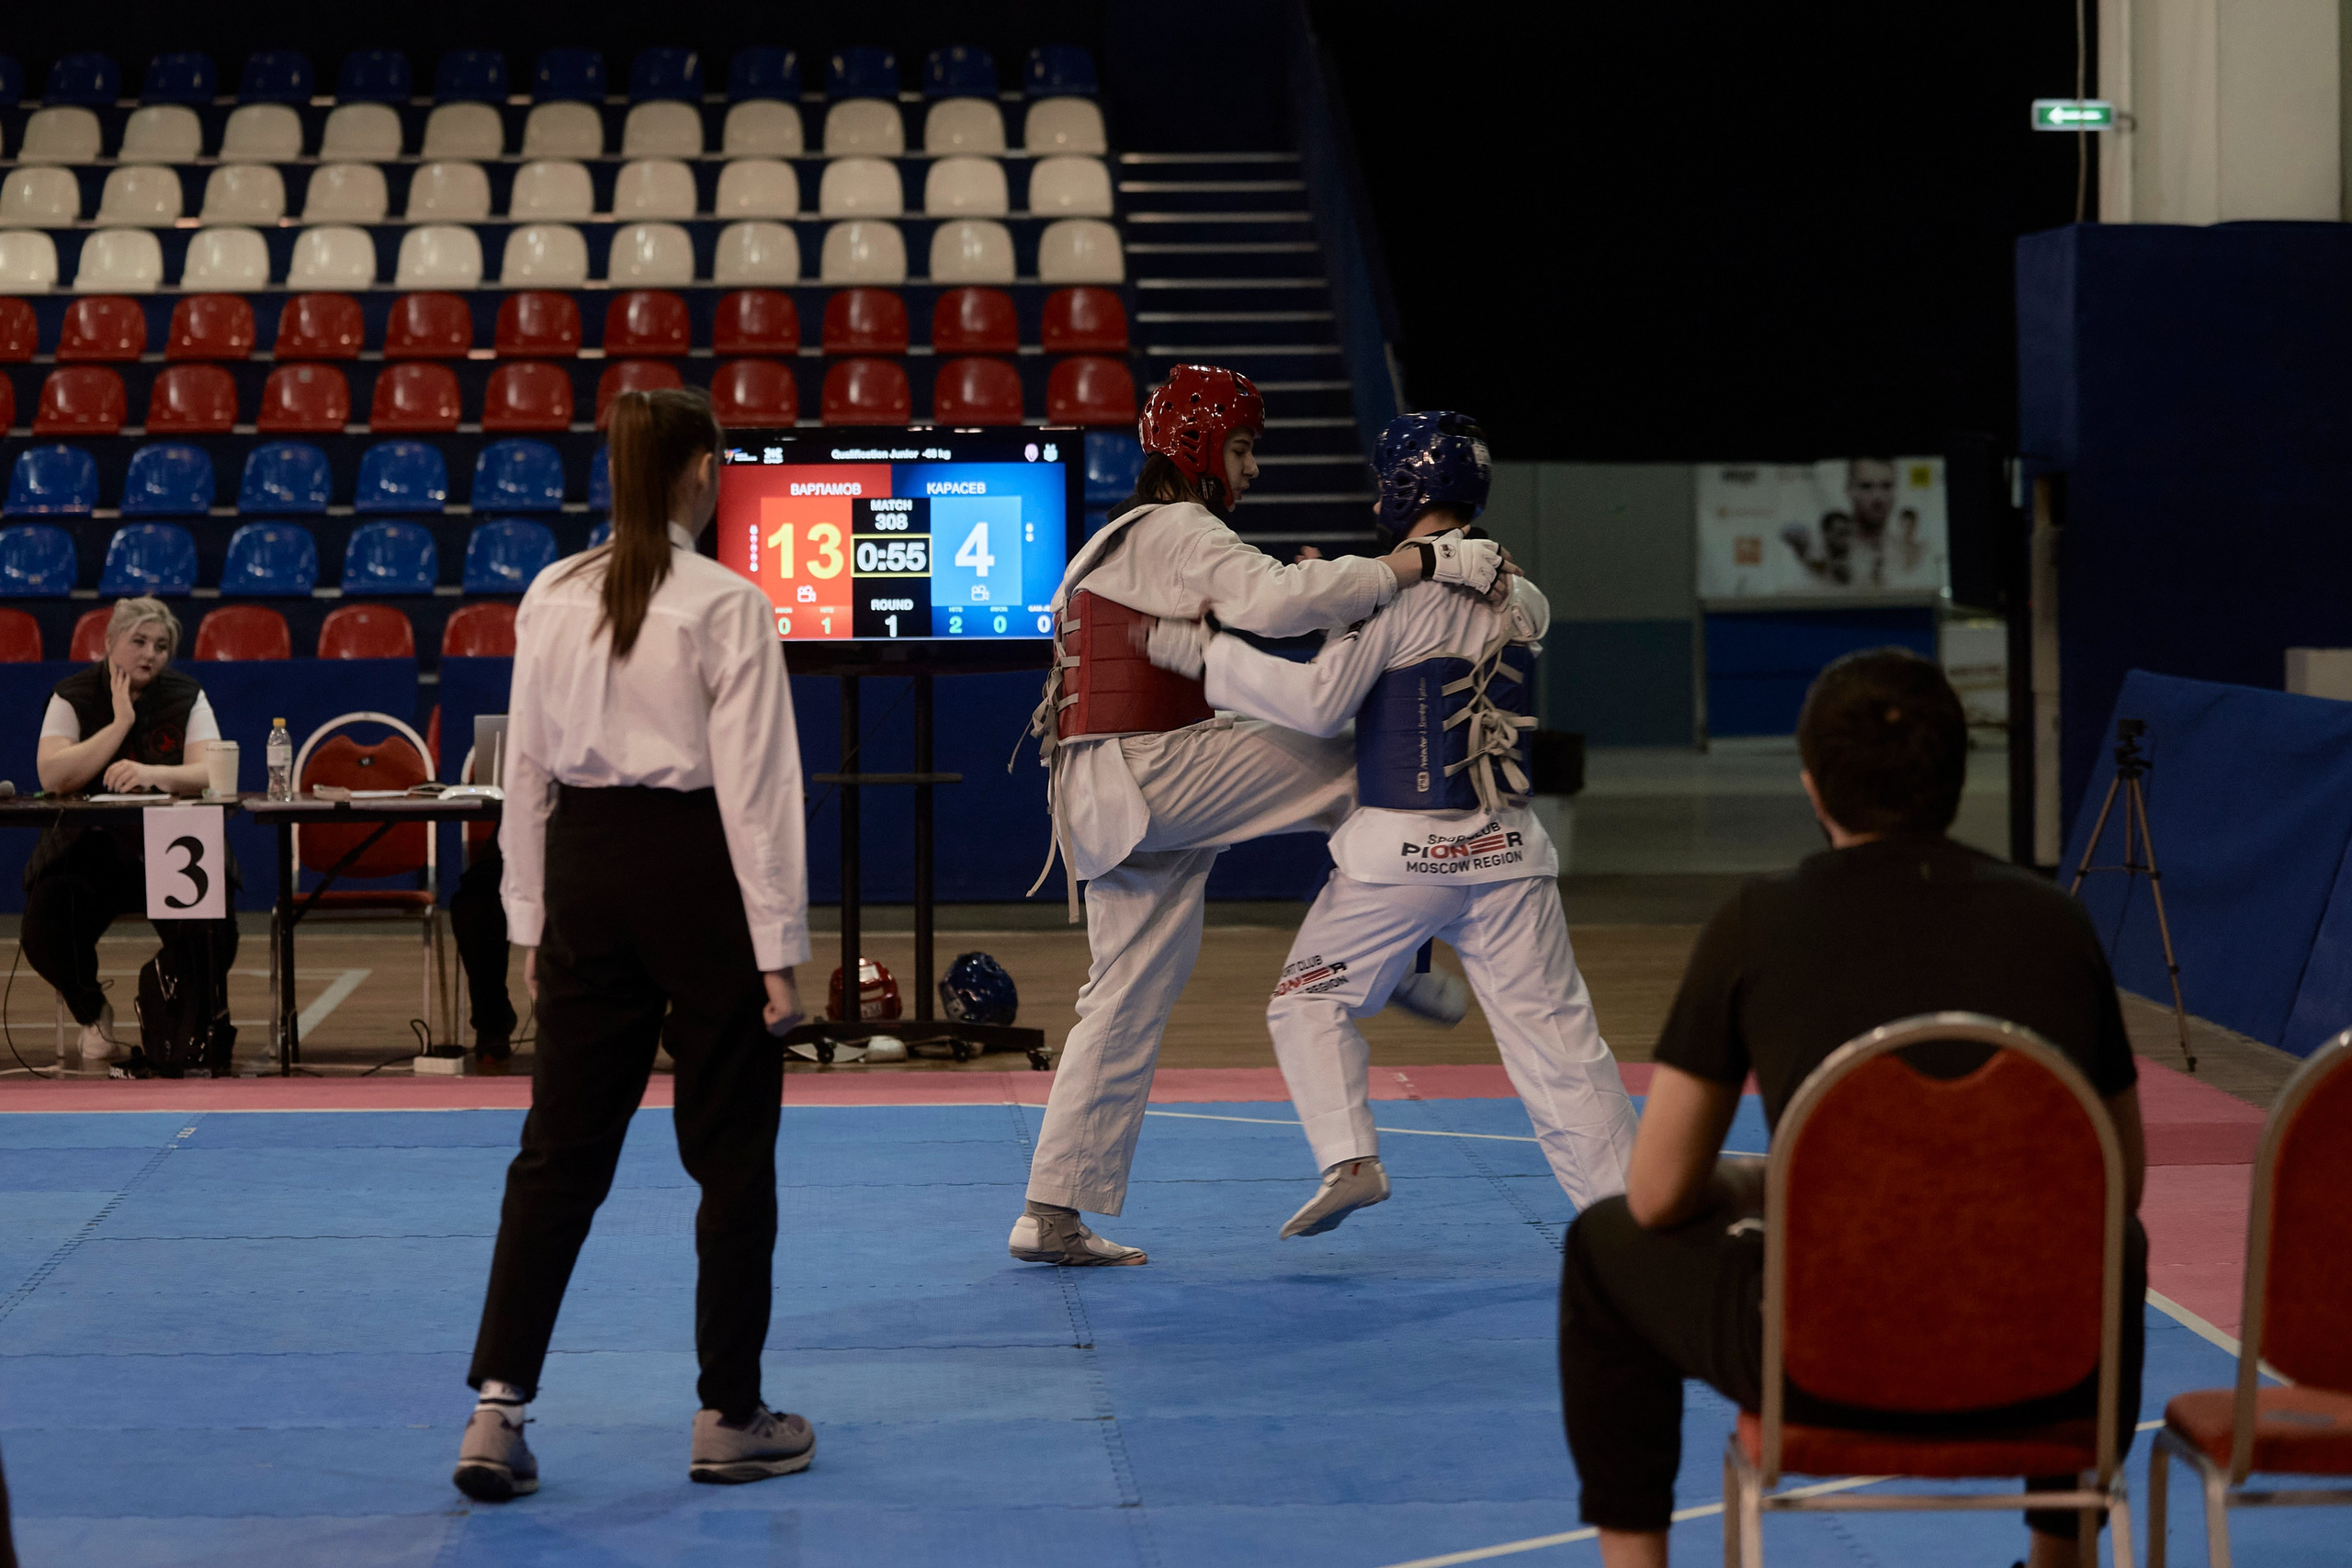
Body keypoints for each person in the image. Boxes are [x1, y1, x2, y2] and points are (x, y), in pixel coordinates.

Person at [1555, 649, 2147, 1568]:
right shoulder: (2057, 924)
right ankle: (2057, 1556)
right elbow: (2116, 1185)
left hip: (1819, 1361)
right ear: (1958, 774)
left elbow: (1658, 1196)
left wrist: (1764, 1182)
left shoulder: (1756, 922)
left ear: (1811, 784)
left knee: (1604, 1246)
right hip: (2038, 1358)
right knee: (2117, 1246)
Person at [1008, 364, 1510, 1267]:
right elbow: (1275, 603)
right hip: (1148, 769)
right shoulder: (1175, 525)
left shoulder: (1112, 540)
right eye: (1240, 448)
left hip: (1105, 789)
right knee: (1354, 760)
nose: (1251, 469)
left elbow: (1256, 618)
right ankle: (1394, 951)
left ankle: (1050, 1212)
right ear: (1197, 447)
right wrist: (1421, 562)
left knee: (1124, 1000)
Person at [1144, 412, 1635, 1236]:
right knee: (1563, 1051)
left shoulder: (1397, 598)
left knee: (1307, 1002)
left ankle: (1351, 1157)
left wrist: (1207, 655)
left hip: (1406, 859)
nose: (1379, 498)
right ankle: (1631, 1225)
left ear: (1410, 487)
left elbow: (1318, 702)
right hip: (1509, 853)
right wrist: (1342, 601)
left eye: (1386, 483)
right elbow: (1468, 627)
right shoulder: (1523, 594)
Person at [454, 388, 814, 1501]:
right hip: (697, 876)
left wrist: (530, 922)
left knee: (557, 1154)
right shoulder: (727, 602)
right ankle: (730, 1415)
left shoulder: (551, 593)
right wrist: (778, 950)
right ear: (702, 471)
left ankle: (496, 1414)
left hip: (586, 874)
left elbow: (523, 776)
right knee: (731, 1155)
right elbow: (758, 791)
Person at [27, 596, 238, 1069]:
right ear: (109, 643)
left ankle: (175, 1017)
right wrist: (120, 723)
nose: (150, 654)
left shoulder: (187, 694)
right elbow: (52, 775)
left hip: (170, 851)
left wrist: (152, 774)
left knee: (216, 932)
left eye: (161, 646)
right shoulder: (71, 695)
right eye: (138, 642)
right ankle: (93, 1014)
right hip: (89, 848)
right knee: (44, 926)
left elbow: (211, 771)